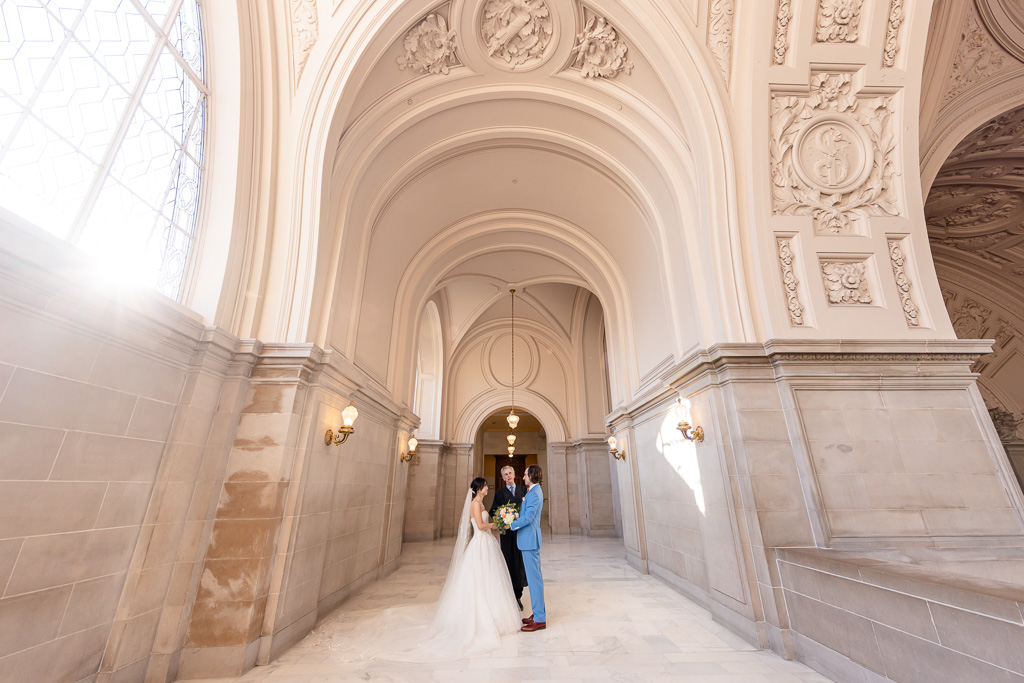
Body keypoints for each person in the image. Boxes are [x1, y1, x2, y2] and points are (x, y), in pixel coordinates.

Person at [309, 477, 521, 660]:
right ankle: (478, 616)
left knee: (489, 578)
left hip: (487, 545)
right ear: (478, 488)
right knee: (477, 578)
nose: (487, 488)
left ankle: (493, 612)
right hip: (480, 543)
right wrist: (499, 524)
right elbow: (480, 526)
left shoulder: (481, 503)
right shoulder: (475, 504)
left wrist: (499, 519)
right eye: (484, 486)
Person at [510, 464, 546, 631]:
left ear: (531, 476)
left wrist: (512, 524)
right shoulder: (533, 492)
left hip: (529, 540)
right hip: (529, 539)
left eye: (525, 475)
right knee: (534, 580)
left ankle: (540, 618)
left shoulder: (533, 494)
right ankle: (537, 613)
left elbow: (529, 518)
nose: (523, 477)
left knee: (534, 581)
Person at [489, 465, 528, 609]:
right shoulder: (500, 494)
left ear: (514, 474)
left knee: (519, 563)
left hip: (521, 532)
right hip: (507, 535)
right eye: (505, 474)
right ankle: (509, 594)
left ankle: (518, 595)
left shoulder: (524, 490)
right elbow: (493, 511)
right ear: (503, 477)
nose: (508, 476)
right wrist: (502, 518)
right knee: (508, 561)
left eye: (510, 473)